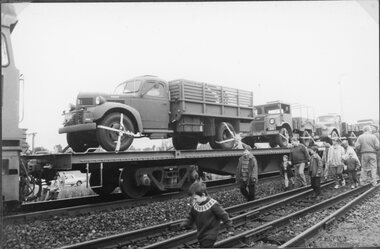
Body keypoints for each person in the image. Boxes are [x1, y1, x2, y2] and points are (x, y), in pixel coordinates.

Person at [181, 181, 234, 248]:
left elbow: (224, 216)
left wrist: (230, 228)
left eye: (195, 198)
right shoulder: (196, 205)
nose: (194, 201)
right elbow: (191, 216)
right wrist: (186, 223)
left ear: (203, 195)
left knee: (205, 246)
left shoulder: (213, 204)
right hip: (201, 233)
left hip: (210, 234)